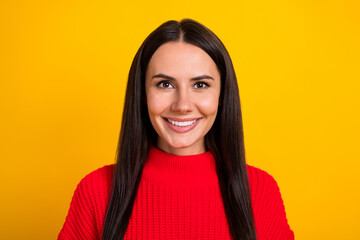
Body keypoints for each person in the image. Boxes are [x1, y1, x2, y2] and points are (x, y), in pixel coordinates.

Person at [58, 19, 294, 240]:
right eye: (165, 84)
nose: (182, 105)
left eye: (200, 85)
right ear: (142, 93)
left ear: (222, 95)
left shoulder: (261, 191)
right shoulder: (97, 191)